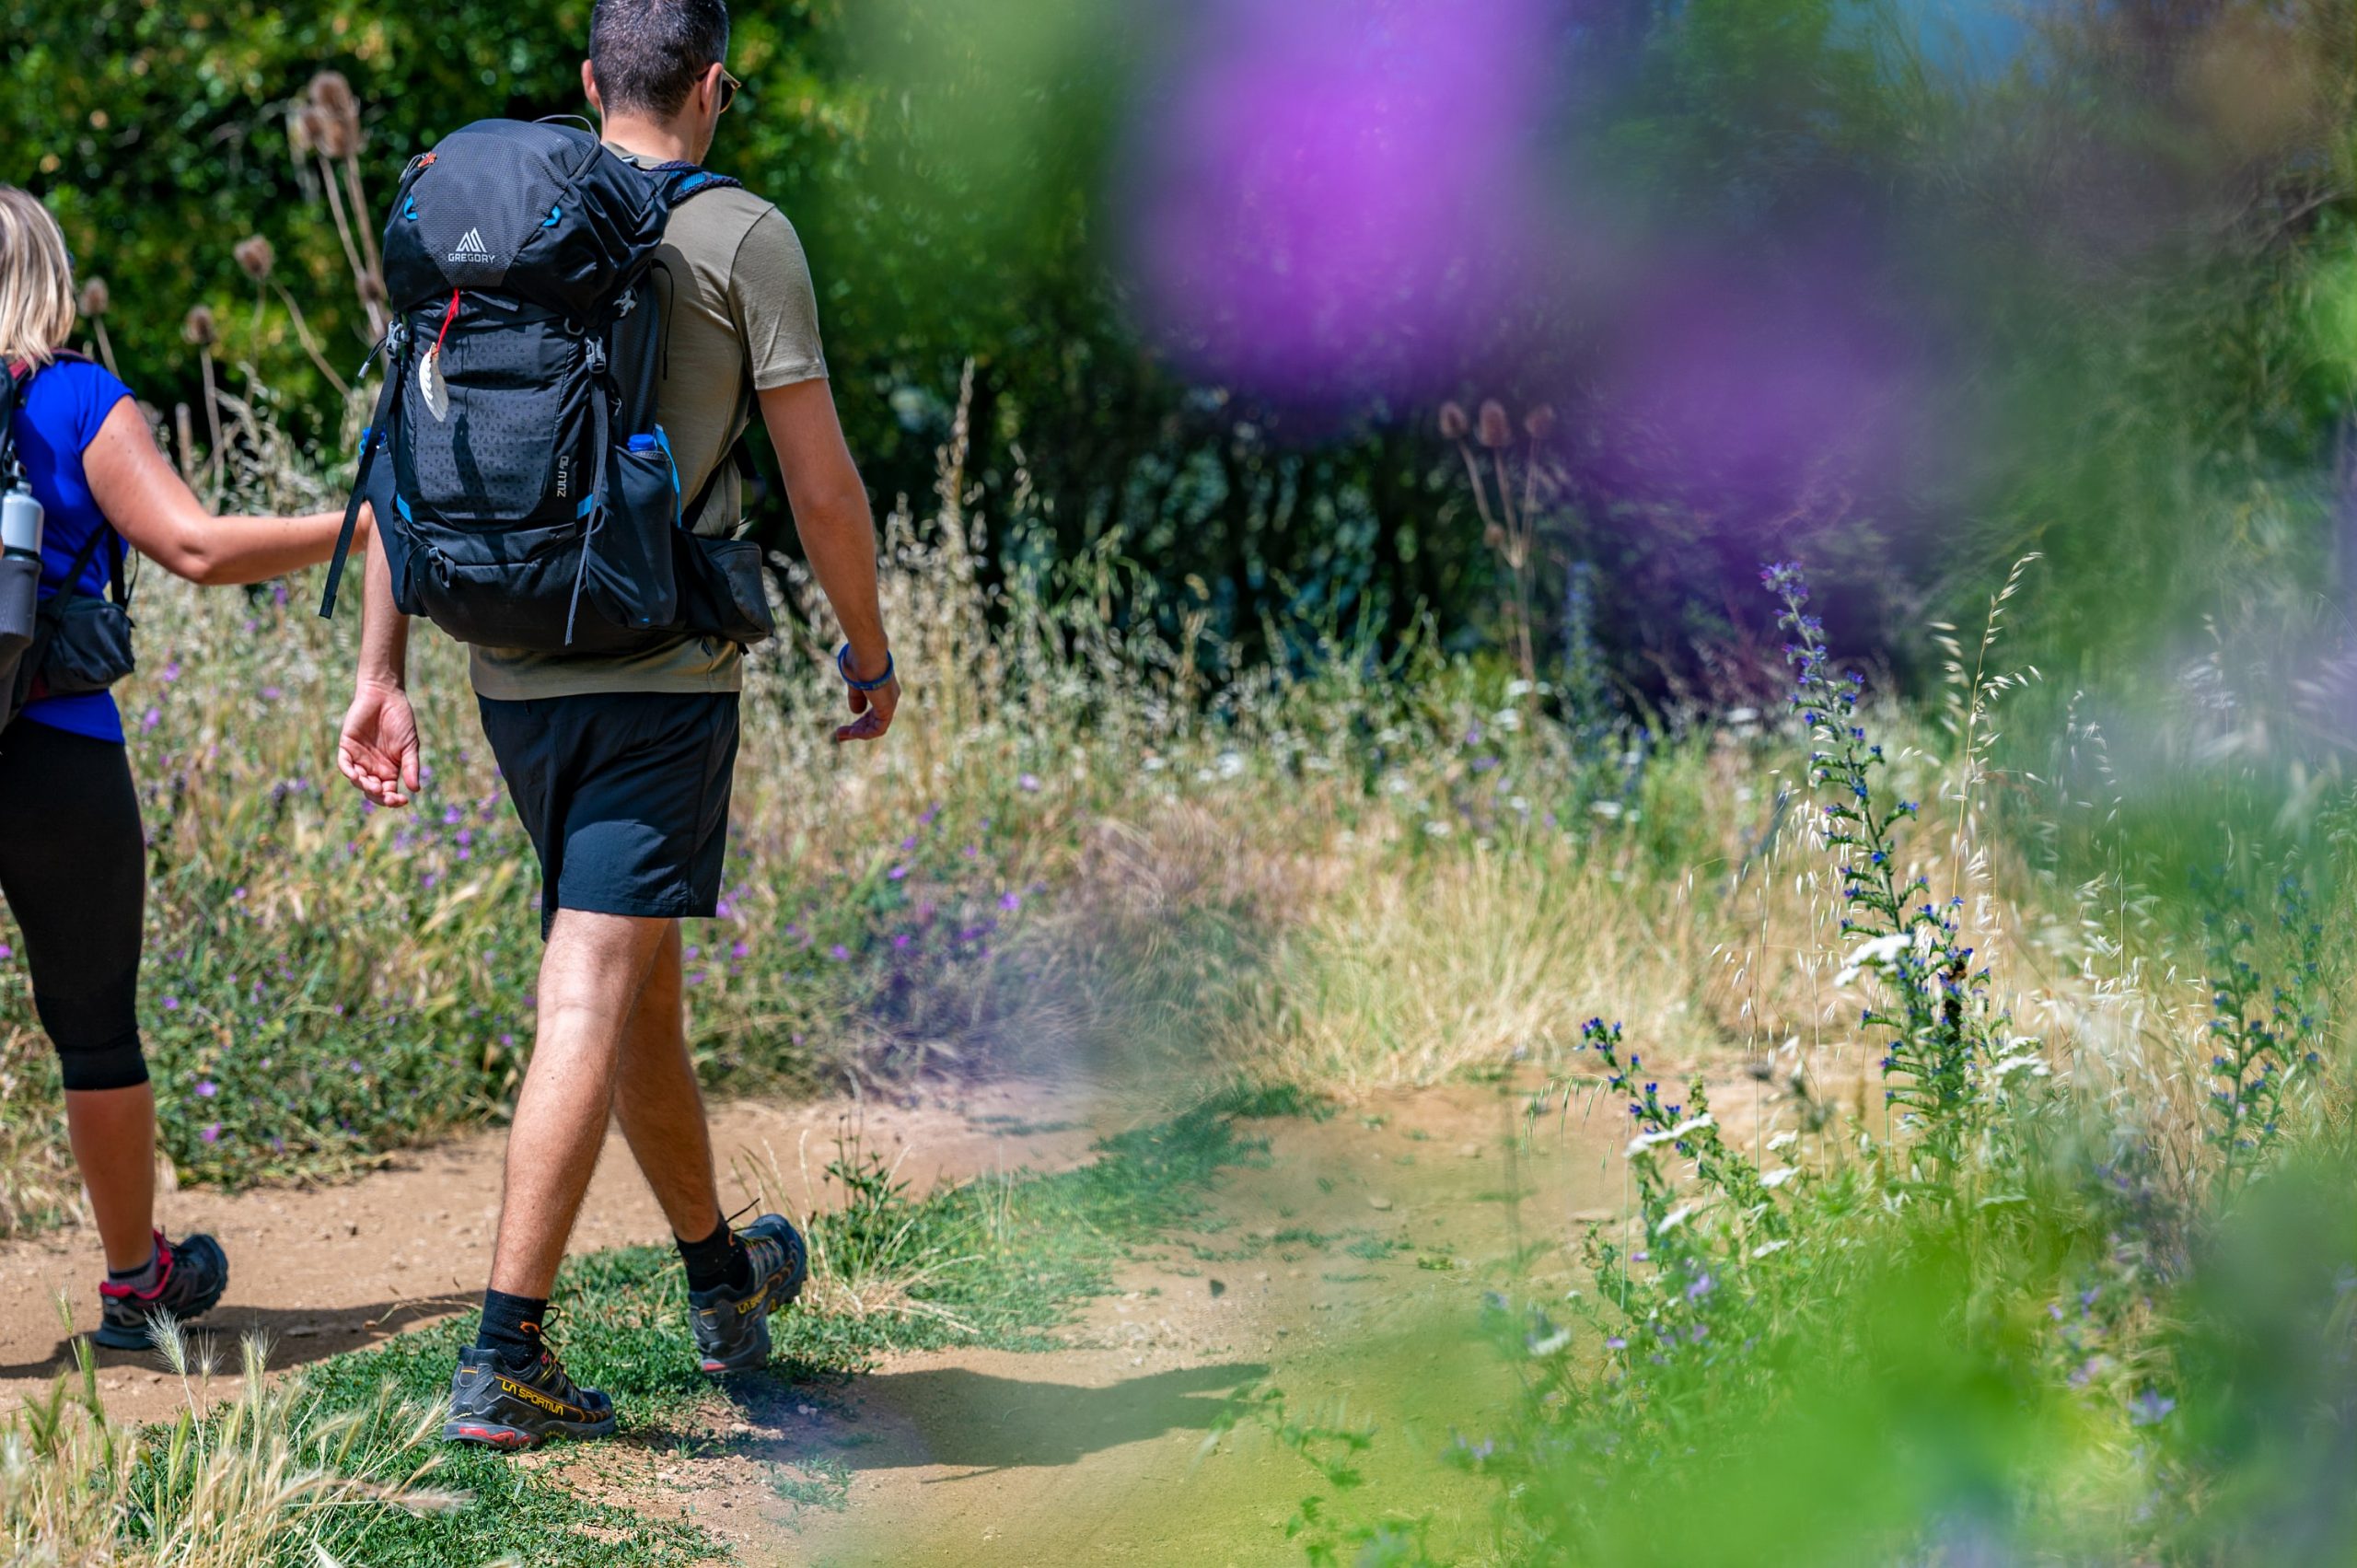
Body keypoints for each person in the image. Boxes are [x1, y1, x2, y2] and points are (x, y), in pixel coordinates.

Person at [334, 0, 900, 1449]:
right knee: (593, 980)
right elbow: (821, 483)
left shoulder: (492, 224)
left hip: (508, 663)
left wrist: (378, 670)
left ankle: (722, 1277)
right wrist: (868, 644)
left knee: (638, 986)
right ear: (714, 86)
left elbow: (413, 439)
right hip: (658, 665)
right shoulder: (739, 236)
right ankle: (504, 1348)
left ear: (591, 83)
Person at [0, 186, 372, 1350]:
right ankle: (133, 1282)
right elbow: (198, 548)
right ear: (47, 277)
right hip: (56, 750)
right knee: (94, 1023)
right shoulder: (75, 399)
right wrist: (355, 526)